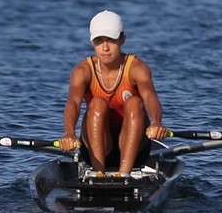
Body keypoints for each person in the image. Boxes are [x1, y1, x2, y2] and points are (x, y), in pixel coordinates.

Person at [58, 11, 168, 174]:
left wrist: (156, 122)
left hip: (136, 149)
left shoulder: (137, 68)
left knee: (135, 102)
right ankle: (98, 174)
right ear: (92, 42)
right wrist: (69, 133)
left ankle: (124, 174)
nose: (105, 48)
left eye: (111, 40)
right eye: (99, 41)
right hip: (96, 148)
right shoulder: (82, 70)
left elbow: (150, 97)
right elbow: (73, 102)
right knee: (97, 103)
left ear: (122, 39)